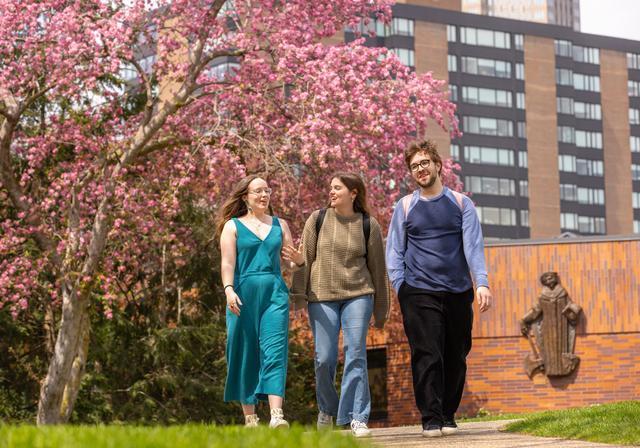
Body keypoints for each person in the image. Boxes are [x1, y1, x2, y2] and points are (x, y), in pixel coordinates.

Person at [385, 140, 493, 438]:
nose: (420, 169)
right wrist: (400, 286)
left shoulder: (461, 203)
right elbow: (394, 249)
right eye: (414, 166)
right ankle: (431, 417)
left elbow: (473, 247)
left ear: (437, 165)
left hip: (458, 291)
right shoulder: (406, 206)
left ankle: (447, 413)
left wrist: (480, 282)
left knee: (456, 353)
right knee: (427, 352)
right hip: (418, 290)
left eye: (424, 163)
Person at [283, 172, 390, 438]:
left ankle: (357, 417)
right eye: (330, 187)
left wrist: (381, 310)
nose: (331, 192)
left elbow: (378, 270)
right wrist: (297, 286)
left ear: (353, 193)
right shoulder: (317, 220)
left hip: (358, 294)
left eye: (337, 188)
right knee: (324, 358)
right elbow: (303, 259)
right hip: (321, 296)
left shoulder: (368, 224)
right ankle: (327, 410)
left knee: (355, 352)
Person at [217, 175, 299, 428]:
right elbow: (228, 263)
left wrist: (299, 259)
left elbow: (292, 263)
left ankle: (277, 416)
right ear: (246, 197)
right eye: (258, 191)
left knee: (275, 351)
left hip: (274, 294)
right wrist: (229, 290)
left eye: (267, 190)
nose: (264, 195)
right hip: (242, 295)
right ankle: (250, 417)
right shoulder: (232, 226)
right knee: (244, 351)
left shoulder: (280, 225)